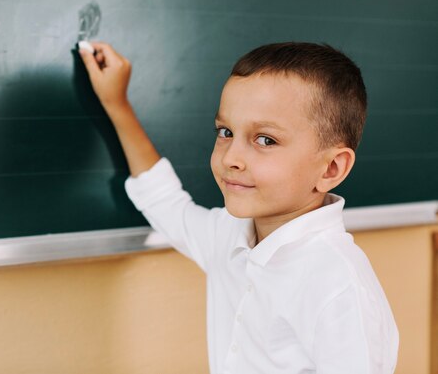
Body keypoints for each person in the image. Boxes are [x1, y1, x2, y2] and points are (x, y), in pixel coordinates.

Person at [78, 41, 399, 374]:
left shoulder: (339, 290)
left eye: (265, 140)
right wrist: (116, 104)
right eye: (226, 132)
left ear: (331, 169)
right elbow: (164, 202)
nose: (230, 158)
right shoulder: (229, 236)